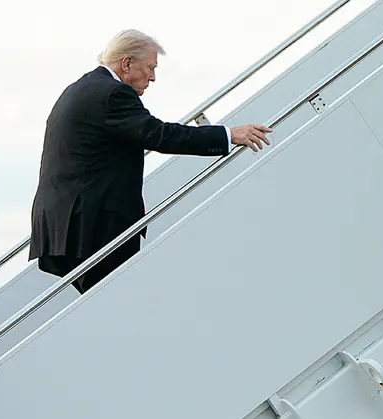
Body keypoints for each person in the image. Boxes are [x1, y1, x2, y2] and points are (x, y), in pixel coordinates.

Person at [29, 28, 274, 294]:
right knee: (118, 305)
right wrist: (228, 135)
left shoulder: (81, 88)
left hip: (64, 224)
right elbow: (158, 135)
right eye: (150, 67)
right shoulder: (113, 94)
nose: (153, 77)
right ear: (127, 63)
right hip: (93, 225)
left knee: (109, 308)